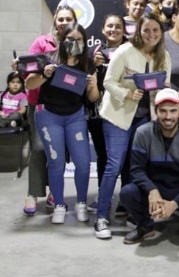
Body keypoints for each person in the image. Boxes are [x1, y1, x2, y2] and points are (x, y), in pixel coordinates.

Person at [94, 13, 171, 239]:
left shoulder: (164, 55)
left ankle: (132, 213)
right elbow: (108, 81)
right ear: (138, 31)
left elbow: (164, 85)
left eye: (156, 30)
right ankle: (101, 217)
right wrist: (127, 93)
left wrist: (166, 90)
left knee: (135, 168)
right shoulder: (125, 51)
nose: (151, 34)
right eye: (146, 30)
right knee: (114, 165)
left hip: (146, 119)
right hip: (118, 116)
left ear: (161, 32)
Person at [25, 23, 99, 224]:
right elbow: (28, 84)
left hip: (75, 116)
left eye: (79, 39)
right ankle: (59, 204)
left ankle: (81, 203)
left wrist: (92, 86)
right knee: (56, 162)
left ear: (85, 42)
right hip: (49, 116)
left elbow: (93, 98)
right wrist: (43, 75)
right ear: (62, 39)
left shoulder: (87, 63)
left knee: (83, 163)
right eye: (70, 39)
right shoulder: (48, 58)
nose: (74, 43)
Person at [120, 88, 179, 244]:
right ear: (156, 111)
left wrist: (174, 204)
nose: (168, 116)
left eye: (173, 111)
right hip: (154, 187)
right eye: (163, 111)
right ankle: (145, 225)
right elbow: (136, 170)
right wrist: (152, 190)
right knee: (127, 192)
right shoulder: (142, 133)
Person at [19, 5, 77, 216]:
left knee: (58, 150)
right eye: (60, 19)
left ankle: (55, 192)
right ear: (54, 20)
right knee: (38, 148)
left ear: (73, 21)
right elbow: (28, 73)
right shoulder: (41, 43)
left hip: (65, 106)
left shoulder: (75, 43)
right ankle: (33, 194)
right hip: (39, 104)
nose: (63, 22)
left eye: (67, 19)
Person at [86, 14, 128, 212]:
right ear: (103, 29)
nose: (113, 30)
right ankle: (104, 196)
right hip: (100, 113)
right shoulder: (94, 53)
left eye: (118, 26)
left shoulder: (131, 50)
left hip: (125, 109)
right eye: (109, 26)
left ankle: (125, 201)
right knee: (103, 156)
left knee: (127, 157)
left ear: (124, 29)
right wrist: (94, 66)